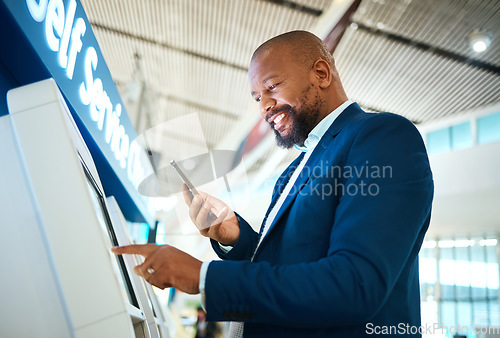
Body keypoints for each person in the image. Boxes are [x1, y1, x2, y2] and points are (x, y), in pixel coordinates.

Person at [113, 30, 434, 337]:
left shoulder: (381, 137)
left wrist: (203, 276)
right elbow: (292, 265)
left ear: (321, 73)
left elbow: (355, 284)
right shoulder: (294, 170)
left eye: (273, 86)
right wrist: (235, 236)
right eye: (257, 97)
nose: (264, 106)